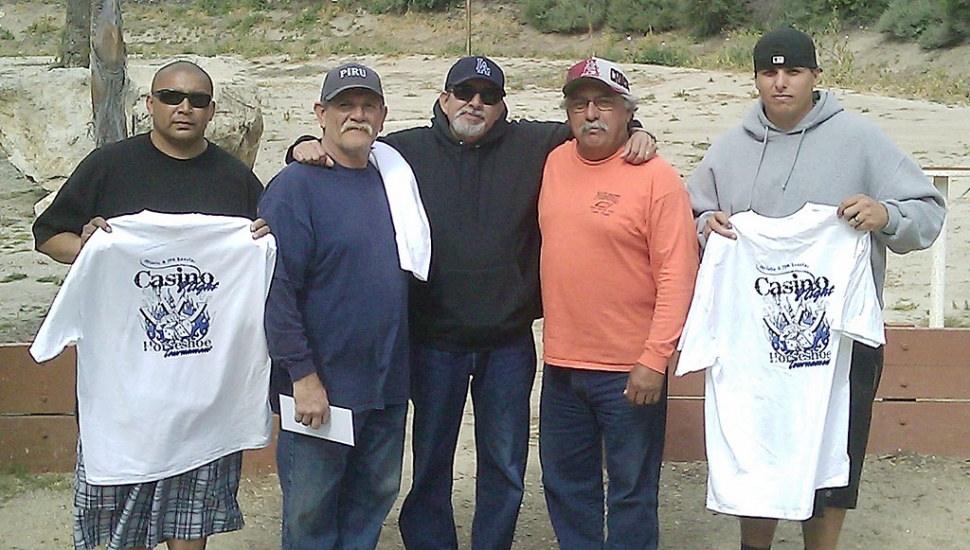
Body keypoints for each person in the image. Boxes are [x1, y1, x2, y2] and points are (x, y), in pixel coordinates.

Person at [288, 55, 657, 549]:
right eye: (464, 93)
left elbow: (596, 121)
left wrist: (639, 129)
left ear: (503, 106)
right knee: (432, 463)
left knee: (504, 465)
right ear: (444, 99)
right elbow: (345, 145)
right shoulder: (402, 151)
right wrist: (301, 146)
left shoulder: (535, 145)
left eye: (488, 96)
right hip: (434, 341)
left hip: (507, 343)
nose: (475, 103)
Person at [683, 28, 946, 550]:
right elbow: (689, 214)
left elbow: (929, 211)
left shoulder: (861, 139)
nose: (780, 83)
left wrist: (885, 214)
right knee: (757, 451)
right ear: (756, 78)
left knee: (833, 462)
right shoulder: (730, 148)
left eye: (793, 72)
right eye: (769, 72)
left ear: (815, 77)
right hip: (754, 345)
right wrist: (702, 225)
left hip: (842, 340)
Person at [30, 60, 271, 550]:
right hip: (125, 403)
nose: (185, 108)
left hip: (206, 398)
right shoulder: (110, 166)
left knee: (190, 527)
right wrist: (91, 252)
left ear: (211, 111)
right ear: (150, 105)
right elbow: (47, 236)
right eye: (171, 96)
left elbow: (268, 248)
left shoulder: (235, 179)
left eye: (198, 100)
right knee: (121, 533)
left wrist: (265, 241)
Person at [259, 61, 430, 550]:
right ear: (321, 113)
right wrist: (302, 376)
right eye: (344, 106)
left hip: (386, 384)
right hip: (322, 388)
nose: (357, 116)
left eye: (367, 105)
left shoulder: (396, 185)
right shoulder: (295, 188)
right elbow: (277, 288)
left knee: (370, 506)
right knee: (311, 515)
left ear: (382, 114)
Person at [536, 57, 699, 549]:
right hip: (562, 366)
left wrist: (654, 359)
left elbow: (678, 274)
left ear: (627, 113)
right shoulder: (552, 161)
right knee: (566, 487)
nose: (592, 114)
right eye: (580, 104)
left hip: (629, 372)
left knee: (631, 491)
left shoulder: (657, 177)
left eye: (605, 104)